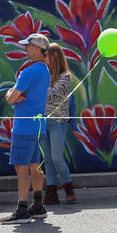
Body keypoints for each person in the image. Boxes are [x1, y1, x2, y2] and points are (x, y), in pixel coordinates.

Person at [0, 33, 52, 225]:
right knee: (34, 166)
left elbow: (12, 98)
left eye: (28, 46)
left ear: (37, 48)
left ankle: (22, 209)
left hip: (24, 127)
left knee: (21, 168)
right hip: (38, 126)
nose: (25, 49)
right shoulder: (45, 70)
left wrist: (10, 93)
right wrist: (14, 93)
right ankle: (37, 205)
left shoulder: (29, 71)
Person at [40, 42, 76, 206]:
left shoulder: (65, 76)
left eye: (46, 55)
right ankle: (51, 192)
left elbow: (53, 95)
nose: (44, 58)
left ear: (54, 56)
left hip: (57, 122)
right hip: (43, 121)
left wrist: (40, 85)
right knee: (47, 159)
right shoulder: (45, 74)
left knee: (56, 157)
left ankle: (69, 189)